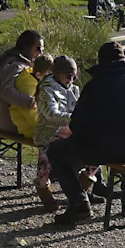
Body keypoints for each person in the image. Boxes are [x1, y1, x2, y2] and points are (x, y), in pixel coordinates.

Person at [45, 41, 125, 226]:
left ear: (101, 61)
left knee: (56, 151)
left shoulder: (95, 85)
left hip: (100, 149)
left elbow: (78, 123)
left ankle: (79, 203)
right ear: (124, 59)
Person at [34, 56, 81, 212]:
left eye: (74, 76)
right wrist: (77, 118)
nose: (71, 79)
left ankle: (82, 193)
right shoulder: (47, 89)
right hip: (49, 133)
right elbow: (51, 115)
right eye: (68, 75)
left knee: (90, 156)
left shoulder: (74, 89)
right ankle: (44, 193)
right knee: (44, 165)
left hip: (70, 133)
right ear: (57, 73)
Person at [0, 30, 44, 134]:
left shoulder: (15, 62)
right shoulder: (16, 66)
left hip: (4, 119)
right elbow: (7, 92)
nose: (41, 53)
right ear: (27, 47)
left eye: (42, 49)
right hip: (9, 122)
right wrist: (30, 101)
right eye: (38, 48)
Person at [10, 54, 52, 141]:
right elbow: (33, 118)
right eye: (49, 76)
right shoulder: (27, 88)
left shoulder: (38, 82)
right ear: (38, 74)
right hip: (28, 127)